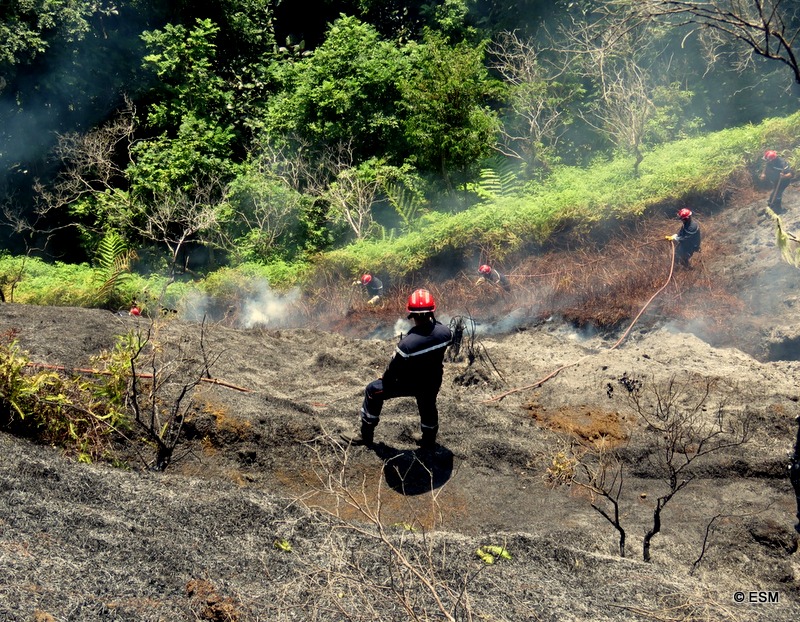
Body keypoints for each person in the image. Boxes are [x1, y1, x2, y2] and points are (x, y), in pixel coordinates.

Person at [341, 288, 452, 450]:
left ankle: (366, 436)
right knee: (428, 403)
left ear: (411, 315)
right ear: (432, 312)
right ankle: (428, 440)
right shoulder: (446, 333)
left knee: (373, 390)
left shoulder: (406, 345)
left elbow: (392, 372)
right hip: (433, 380)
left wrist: (384, 380)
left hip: (410, 383)